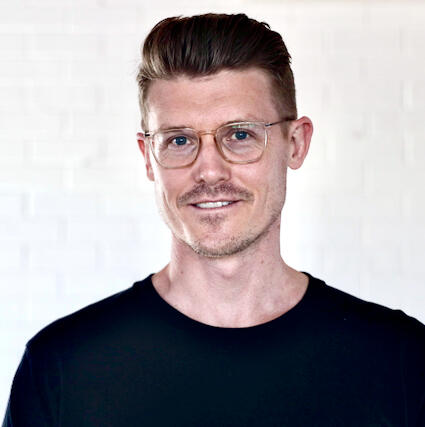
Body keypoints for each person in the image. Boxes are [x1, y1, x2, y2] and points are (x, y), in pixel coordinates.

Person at [3, 13, 424, 427]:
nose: (209, 171)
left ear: (295, 144)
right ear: (148, 157)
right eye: (179, 140)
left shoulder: (401, 360)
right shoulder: (63, 369)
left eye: (240, 135)